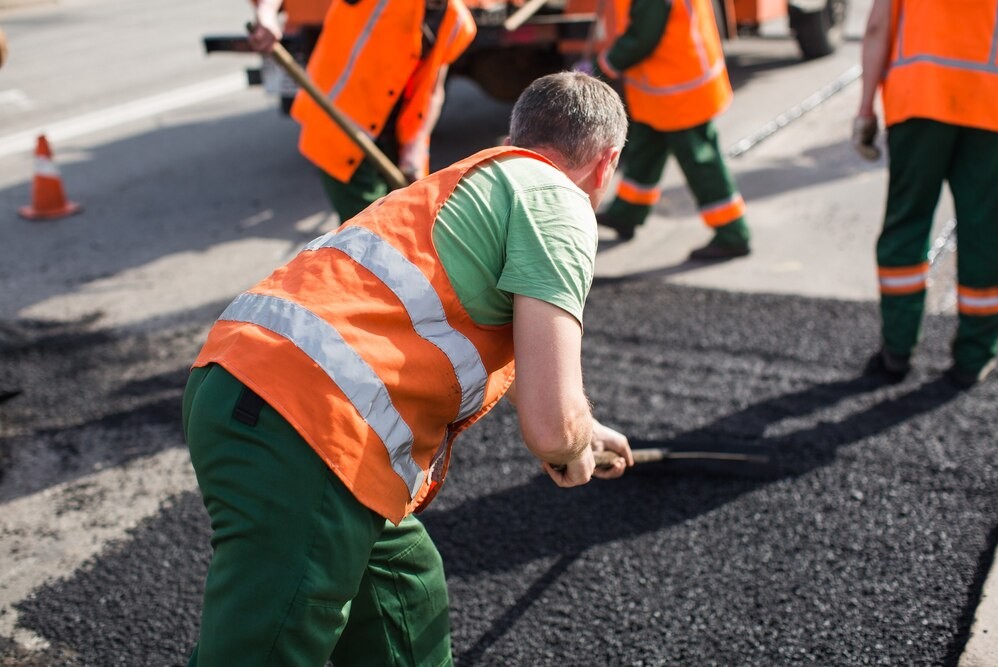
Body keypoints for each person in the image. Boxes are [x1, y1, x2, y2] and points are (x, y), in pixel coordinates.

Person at [183, 71, 634, 666]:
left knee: (405, 594)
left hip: (242, 384)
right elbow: (552, 428)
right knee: (265, 651)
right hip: (307, 423)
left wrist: (587, 430)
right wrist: (570, 448)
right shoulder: (561, 203)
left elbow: (525, 361)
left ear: (515, 137)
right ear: (606, 164)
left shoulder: (475, 181)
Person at [854, 0, 998, 388]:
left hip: (918, 100)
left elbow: (878, 28)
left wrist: (865, 109)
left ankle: (896, 352)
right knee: (986, 232)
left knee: (907, 225)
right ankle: (974, 356)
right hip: (991, 106)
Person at [249, 0, 476, 222]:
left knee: (404, 226)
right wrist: (267, 13)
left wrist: (414, 149)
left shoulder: (457, 22)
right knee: (370, 229)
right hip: (342, 131)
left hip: (395, 141)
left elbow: (433, 89)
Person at [589, 0, 751, 260]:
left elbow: (643, 36)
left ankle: (732, 233)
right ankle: (626, 213)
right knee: (646, 151)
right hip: (661, 86)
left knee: (700, 161)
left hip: (678, 88)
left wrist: (603, 65)